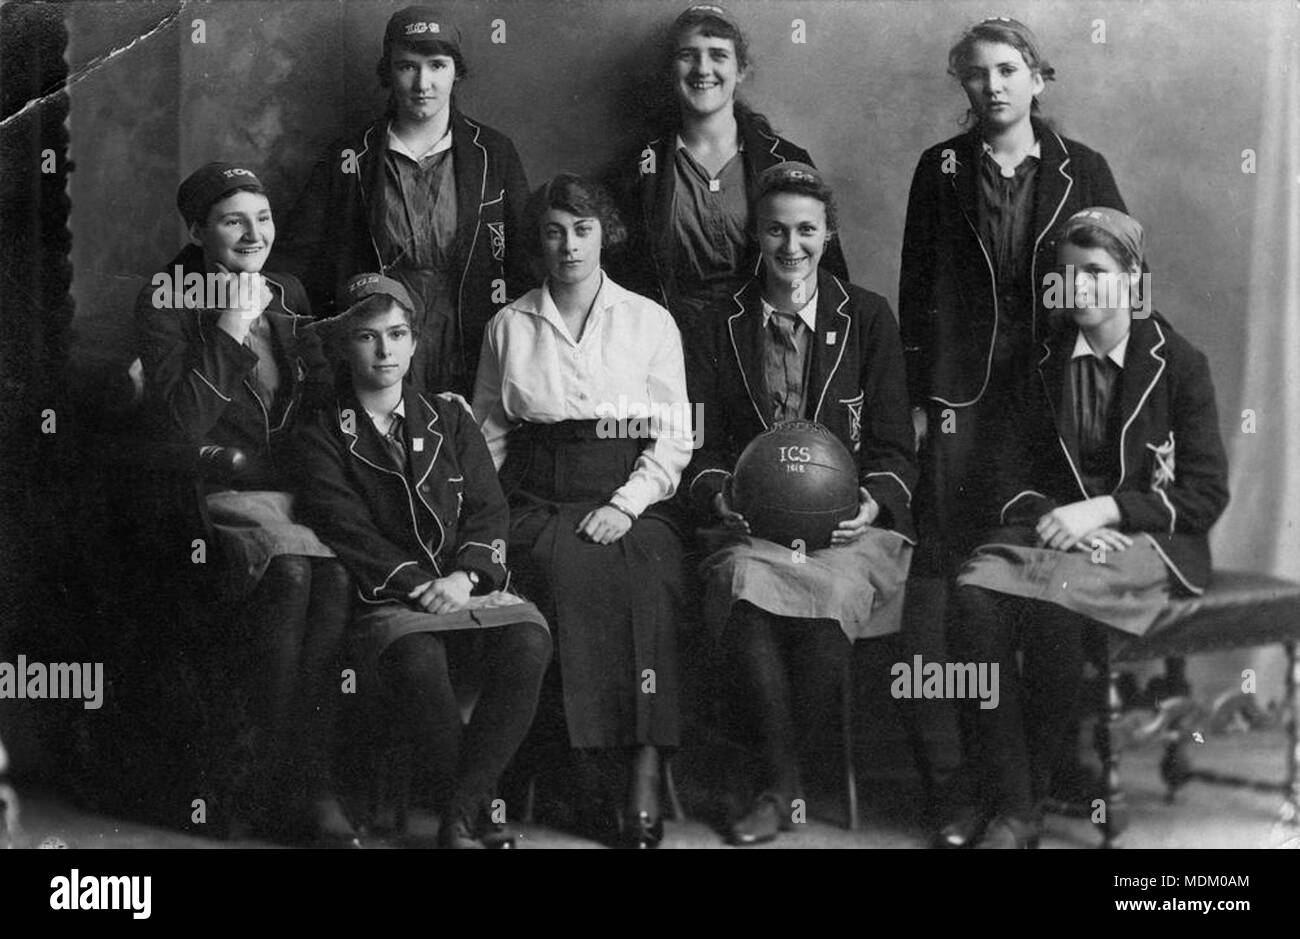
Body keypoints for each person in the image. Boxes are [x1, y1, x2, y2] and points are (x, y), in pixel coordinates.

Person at [941, 208, 1229, 848]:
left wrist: (1106, 511)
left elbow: (1205, 494)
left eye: (1097, 274)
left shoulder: (1177, 363)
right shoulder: (1037, 363)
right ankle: (1008, 791)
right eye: (1068, 277)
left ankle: (1012, 808)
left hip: (1149, 542)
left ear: (1132, 277)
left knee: (1054, 607)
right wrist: (1057, 518)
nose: (1080, 291)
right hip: (1054, 533)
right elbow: (1005, 476)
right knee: (971, 594)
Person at [685, 162, 916, 845]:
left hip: (846, 533)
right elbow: (693, 448)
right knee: (746, 587)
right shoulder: (715, 324)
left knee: (827, 601)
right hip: (754, 529)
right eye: (777, 229)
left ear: (828, 233)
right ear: (755, 232)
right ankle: (782, 780)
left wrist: (873, 504)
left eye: (807, 229)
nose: (792, 245)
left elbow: (898, 449)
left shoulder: (867, 316)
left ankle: (782, 781)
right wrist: (721, 493)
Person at [134, 161, 355, 845]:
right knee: (289, 573)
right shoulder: (167, 296)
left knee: (338, 574)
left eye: (262, 217)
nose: (253, 232)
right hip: (211, 493)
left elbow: (321, 399)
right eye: (233, 220)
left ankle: (304, 778)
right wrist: (229, 330)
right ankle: (258, 779)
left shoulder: (285, 290)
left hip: (292, 493)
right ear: (199, 231)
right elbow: (177, 428)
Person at [291, 273, 551, 849]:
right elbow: (347, 529)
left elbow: (489, 510)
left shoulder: (449, 418)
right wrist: (417, 583)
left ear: (414, 343)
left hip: (469, 588)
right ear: (343, 345)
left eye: (397, 334)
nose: (385, 351)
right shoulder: (322, 434)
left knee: (529, 641)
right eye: (367, 337)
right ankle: (470, 816)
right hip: (389, 597)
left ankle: (459, 813)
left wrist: (465, 576)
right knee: (416, 658)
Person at [473, 174, 692, 848]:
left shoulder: (649, 320)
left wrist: (627, 505)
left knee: (648, 570)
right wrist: (484, 519)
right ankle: (584, 782)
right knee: (554, 567)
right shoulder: (508, 325)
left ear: (607, 235)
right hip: (536, 494)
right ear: (537, 242)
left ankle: (642, 775)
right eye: (554, 231)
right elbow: (488, 435)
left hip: (627, 488)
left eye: (584, 229)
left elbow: (675, 432)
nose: (569, 246)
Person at [898, 16, 1132, 572]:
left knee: (1047, 533)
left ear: (1037, 79)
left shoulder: (1084, 169)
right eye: (978, 74)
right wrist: (917, 398)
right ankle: (972, 658)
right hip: (961, 387)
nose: (994, 85)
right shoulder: (940, 168)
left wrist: (1117, 374)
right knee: (957, 540)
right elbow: (915, 290)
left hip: (1055, 379)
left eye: (1008, 70)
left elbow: (1128, 279)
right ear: (964, 85)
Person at [271, 5, 532, 398]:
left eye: (437, 66)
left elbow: (526, 258)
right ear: (388, 72)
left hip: (472, 340)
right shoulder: (350, 157)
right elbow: (293, 259)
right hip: (377, 346)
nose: (422, 83)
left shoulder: (493, 153)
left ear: (455, 72)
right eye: (407, 66)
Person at [612, 3, 848, 345]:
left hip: (771, 344)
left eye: (718, 55)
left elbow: (829, 274)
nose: (702, 69)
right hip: (671, 348)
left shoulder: (786, 160)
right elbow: (621, 281)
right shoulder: (636, 169)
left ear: (741, 70)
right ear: (670, 69)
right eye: (688, 55)